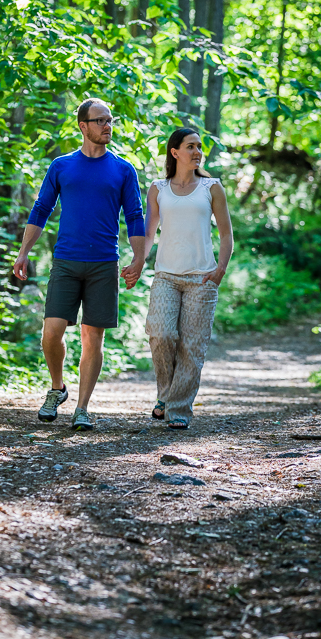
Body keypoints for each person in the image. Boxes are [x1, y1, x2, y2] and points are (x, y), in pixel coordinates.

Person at [13, 98, 145, 431]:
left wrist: (139, 258)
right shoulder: (61, 166)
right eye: (100, 120)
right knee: (51, 333)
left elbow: (135, 216)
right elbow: (41, 210)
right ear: (83, 126)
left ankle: (82, 408)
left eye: (110, 120)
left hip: (104, 264)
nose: (107, 126)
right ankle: (57, 388)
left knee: (92, 337)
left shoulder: (123, 169)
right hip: (67, 261)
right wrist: (23, 252)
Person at [143, 128, 233, 430]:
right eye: (190, 146)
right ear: (175, 152)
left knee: (192, 347)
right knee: (161, 333)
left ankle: (178, 411)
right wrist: (137, 261)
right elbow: (149, 233)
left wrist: (220, 269)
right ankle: (166, 394)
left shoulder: (211, 187)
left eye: (199, 147)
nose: (197, 152)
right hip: (166, 275)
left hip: (202, 278)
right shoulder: (158, 188)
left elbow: (226, 233)